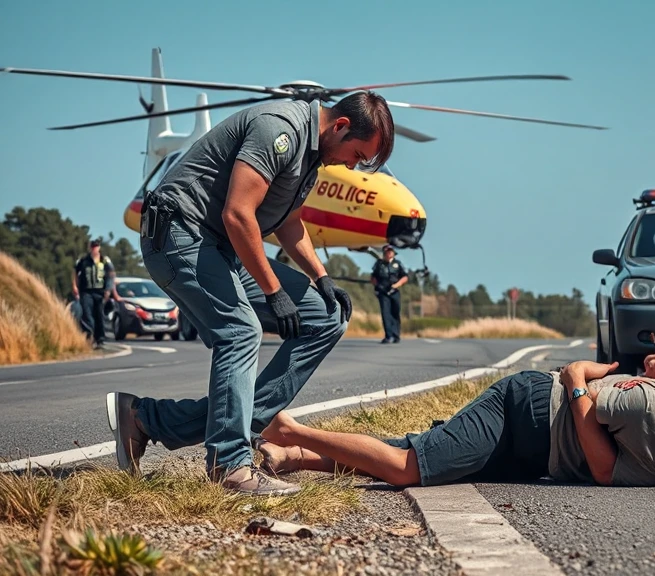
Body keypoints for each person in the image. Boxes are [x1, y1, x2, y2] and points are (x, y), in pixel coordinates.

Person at [105, 91, 395, 496]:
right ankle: (229, 465)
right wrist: (274, 291)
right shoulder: (281, 128)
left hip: (223, 246)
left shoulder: (313, 156)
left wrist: (321, 277)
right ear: (341, 127)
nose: (353, 165)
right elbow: (238, 213)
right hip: (180, 235)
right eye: (357, 155)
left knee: (325, 318)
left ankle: (149, 420)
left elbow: (288, 221)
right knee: (240, 332)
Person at [251, 353, 655, 489]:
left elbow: (603, 466)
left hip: (540, 442)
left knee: (427, 456)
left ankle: (293, 456)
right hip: (522, 411)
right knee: (412, 467)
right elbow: (599, 457)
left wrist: (580, 380)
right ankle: (291, 429)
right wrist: (579, 382)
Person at [73, 239, 120, 349]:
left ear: (99, 247)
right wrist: (74, 286)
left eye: (96, 246)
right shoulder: (83, 260)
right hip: (86, 292)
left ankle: (100, 339)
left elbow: (111, 275)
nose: (95, 248)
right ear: (90, 247)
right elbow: (75, 271)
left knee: (99, 315)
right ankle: (89, 336)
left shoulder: (104, 260)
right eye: (93, 246)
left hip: (100, 292)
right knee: (87, 314)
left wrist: (109, 290)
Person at [370, 245, 408, 344]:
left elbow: (405, 277)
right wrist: (377, 286)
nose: (389, 253)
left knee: (395, 312)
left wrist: (397, 285)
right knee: (386, 313)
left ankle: (396, 335)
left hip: (394, 291)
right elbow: (373, 277)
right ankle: (388, 336)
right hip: (383, 292)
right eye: (387, 252)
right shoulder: (379, 264)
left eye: (391, 251)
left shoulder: (397, 264)